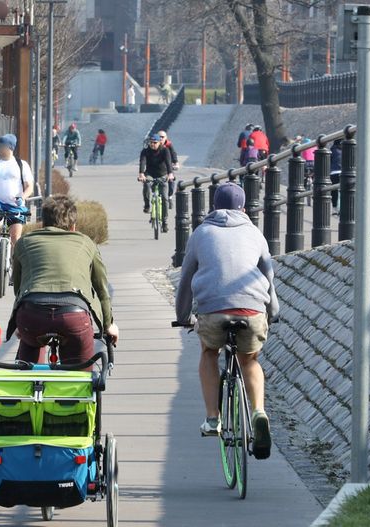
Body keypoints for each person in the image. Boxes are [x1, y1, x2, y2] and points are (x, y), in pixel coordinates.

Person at [174, 182, 278, 459]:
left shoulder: (201, 233)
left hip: (213, 310)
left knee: (209, 353)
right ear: (243, 208)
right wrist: (273, 310)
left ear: (214, 207)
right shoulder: (256, 234)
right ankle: (258, 413)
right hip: (253, 309)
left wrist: (183, 316)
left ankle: (212, 418)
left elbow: (185, 280)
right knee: (249, 360)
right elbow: (269, 276)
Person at [8, 195, 119, 366]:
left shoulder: (24, 242)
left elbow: (19, 286)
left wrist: (20, 323)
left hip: (32, 314)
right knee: (80, 376)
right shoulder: (86, 243)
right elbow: (101, 288)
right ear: (73, 226)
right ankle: (78, 385)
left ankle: (28, 379)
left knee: (29, 348)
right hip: (73, 316)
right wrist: (108, 324)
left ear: (42, 223)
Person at [0, 134, 33, 257]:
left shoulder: (21, 164)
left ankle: (14, 267)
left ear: (10, 147)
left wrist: (23, 198)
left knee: (15, 238)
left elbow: (29, 186)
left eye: (1, 146)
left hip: (15, 205)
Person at [138, 134, 174, 231]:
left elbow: (168, 162)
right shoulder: (145, 151)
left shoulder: (165, 150)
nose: (153, 144)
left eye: (155, 143)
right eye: (151, 142)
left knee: (165, 198)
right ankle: (147, 205)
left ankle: (165, 222)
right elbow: (142, 162)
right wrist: (141, 174)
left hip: (162, 174)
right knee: (146, 184)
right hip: (150, 174)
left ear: (159, 143)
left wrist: (170, 174)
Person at [157, 130, 178, 200]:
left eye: (162, 137)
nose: (160, 139)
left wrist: (176, 163)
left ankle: (170, 196)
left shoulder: (168, 145)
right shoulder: (154, 144)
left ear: (166, 138)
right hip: (157, 166)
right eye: (159, 137)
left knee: (171, 181)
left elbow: (173, 153)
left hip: (168, 165)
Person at [329, 139, 343, 214]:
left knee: (334, 191)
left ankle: (334, 208)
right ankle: (343, 207)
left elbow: (329, 162)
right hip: (344, 173)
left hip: (333, 173)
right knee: (344, 190)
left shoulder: (331, 151)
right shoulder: (345, 150)